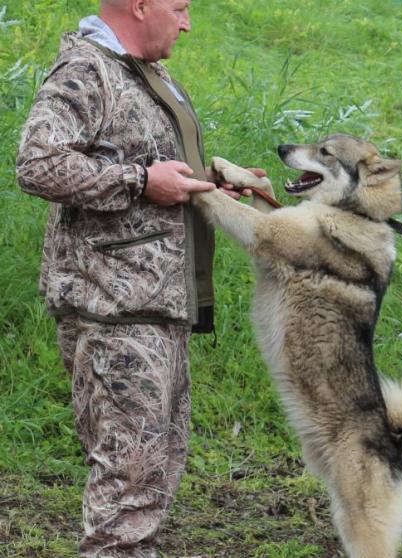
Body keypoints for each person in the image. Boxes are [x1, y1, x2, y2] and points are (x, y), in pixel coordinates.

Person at [15, 1, 251, 555]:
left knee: (151, 478)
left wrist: (209, 182)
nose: (187, 22)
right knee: (127, 490)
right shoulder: (86, 70)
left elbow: (154, 165)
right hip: (113, 313)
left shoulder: (148, 74)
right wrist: (140, 181)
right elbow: (37, 162)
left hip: (156, 308)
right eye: (180, 7)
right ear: (141, 5)